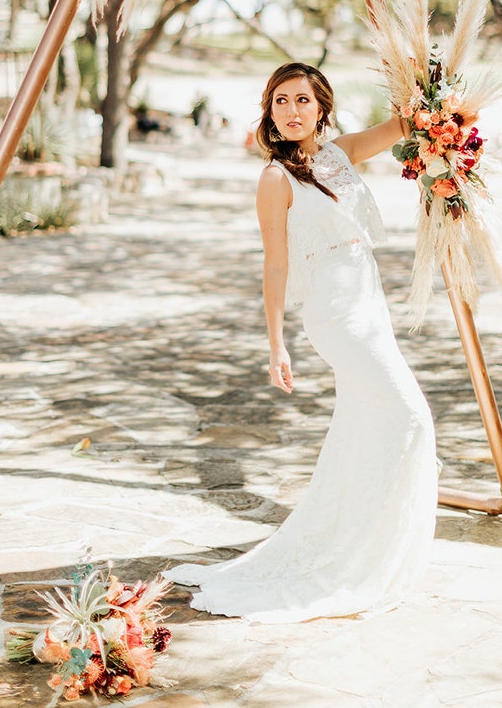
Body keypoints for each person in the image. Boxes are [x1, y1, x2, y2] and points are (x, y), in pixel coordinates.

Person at [165, 62, 437, 623]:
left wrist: (432, 89)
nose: (292, 111)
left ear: (321, 107)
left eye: (303, 101)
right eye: (282, 101)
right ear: (270, 110)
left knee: (367, 422)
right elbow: (275, 263)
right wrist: (276, 343)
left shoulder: (339, 154)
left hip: (369, 301)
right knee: (411, 415)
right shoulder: (274, 179)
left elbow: (403, 126)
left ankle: (357, 542)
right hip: (336, 314)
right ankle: (365, 552)